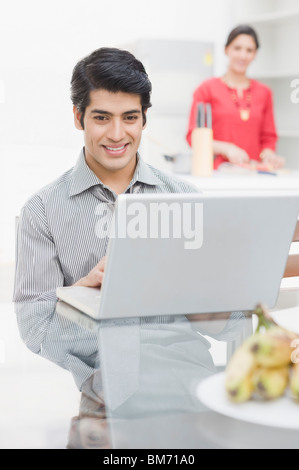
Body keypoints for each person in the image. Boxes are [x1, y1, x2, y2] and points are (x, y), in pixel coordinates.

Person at [13, 47, 199, 303]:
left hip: (176, 344)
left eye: (130, 117)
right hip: (86, 345)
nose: (116, 134)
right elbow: (34, 328)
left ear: (144, 119)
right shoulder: (41, 212)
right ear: (79, 118)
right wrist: (80, 294)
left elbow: (229, 321)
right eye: (102, 118)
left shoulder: (188, 200)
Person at [186, 24, 285, 170]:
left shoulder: (265, 92)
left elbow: (268, 139)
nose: (243, 56)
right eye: (237, 48)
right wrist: (227, 148)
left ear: (255, 54)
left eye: (249, 50)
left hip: (253, 174)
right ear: (226, 50)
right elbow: (193, 137)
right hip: (218, 174)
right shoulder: (206, 89)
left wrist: (268, 155)